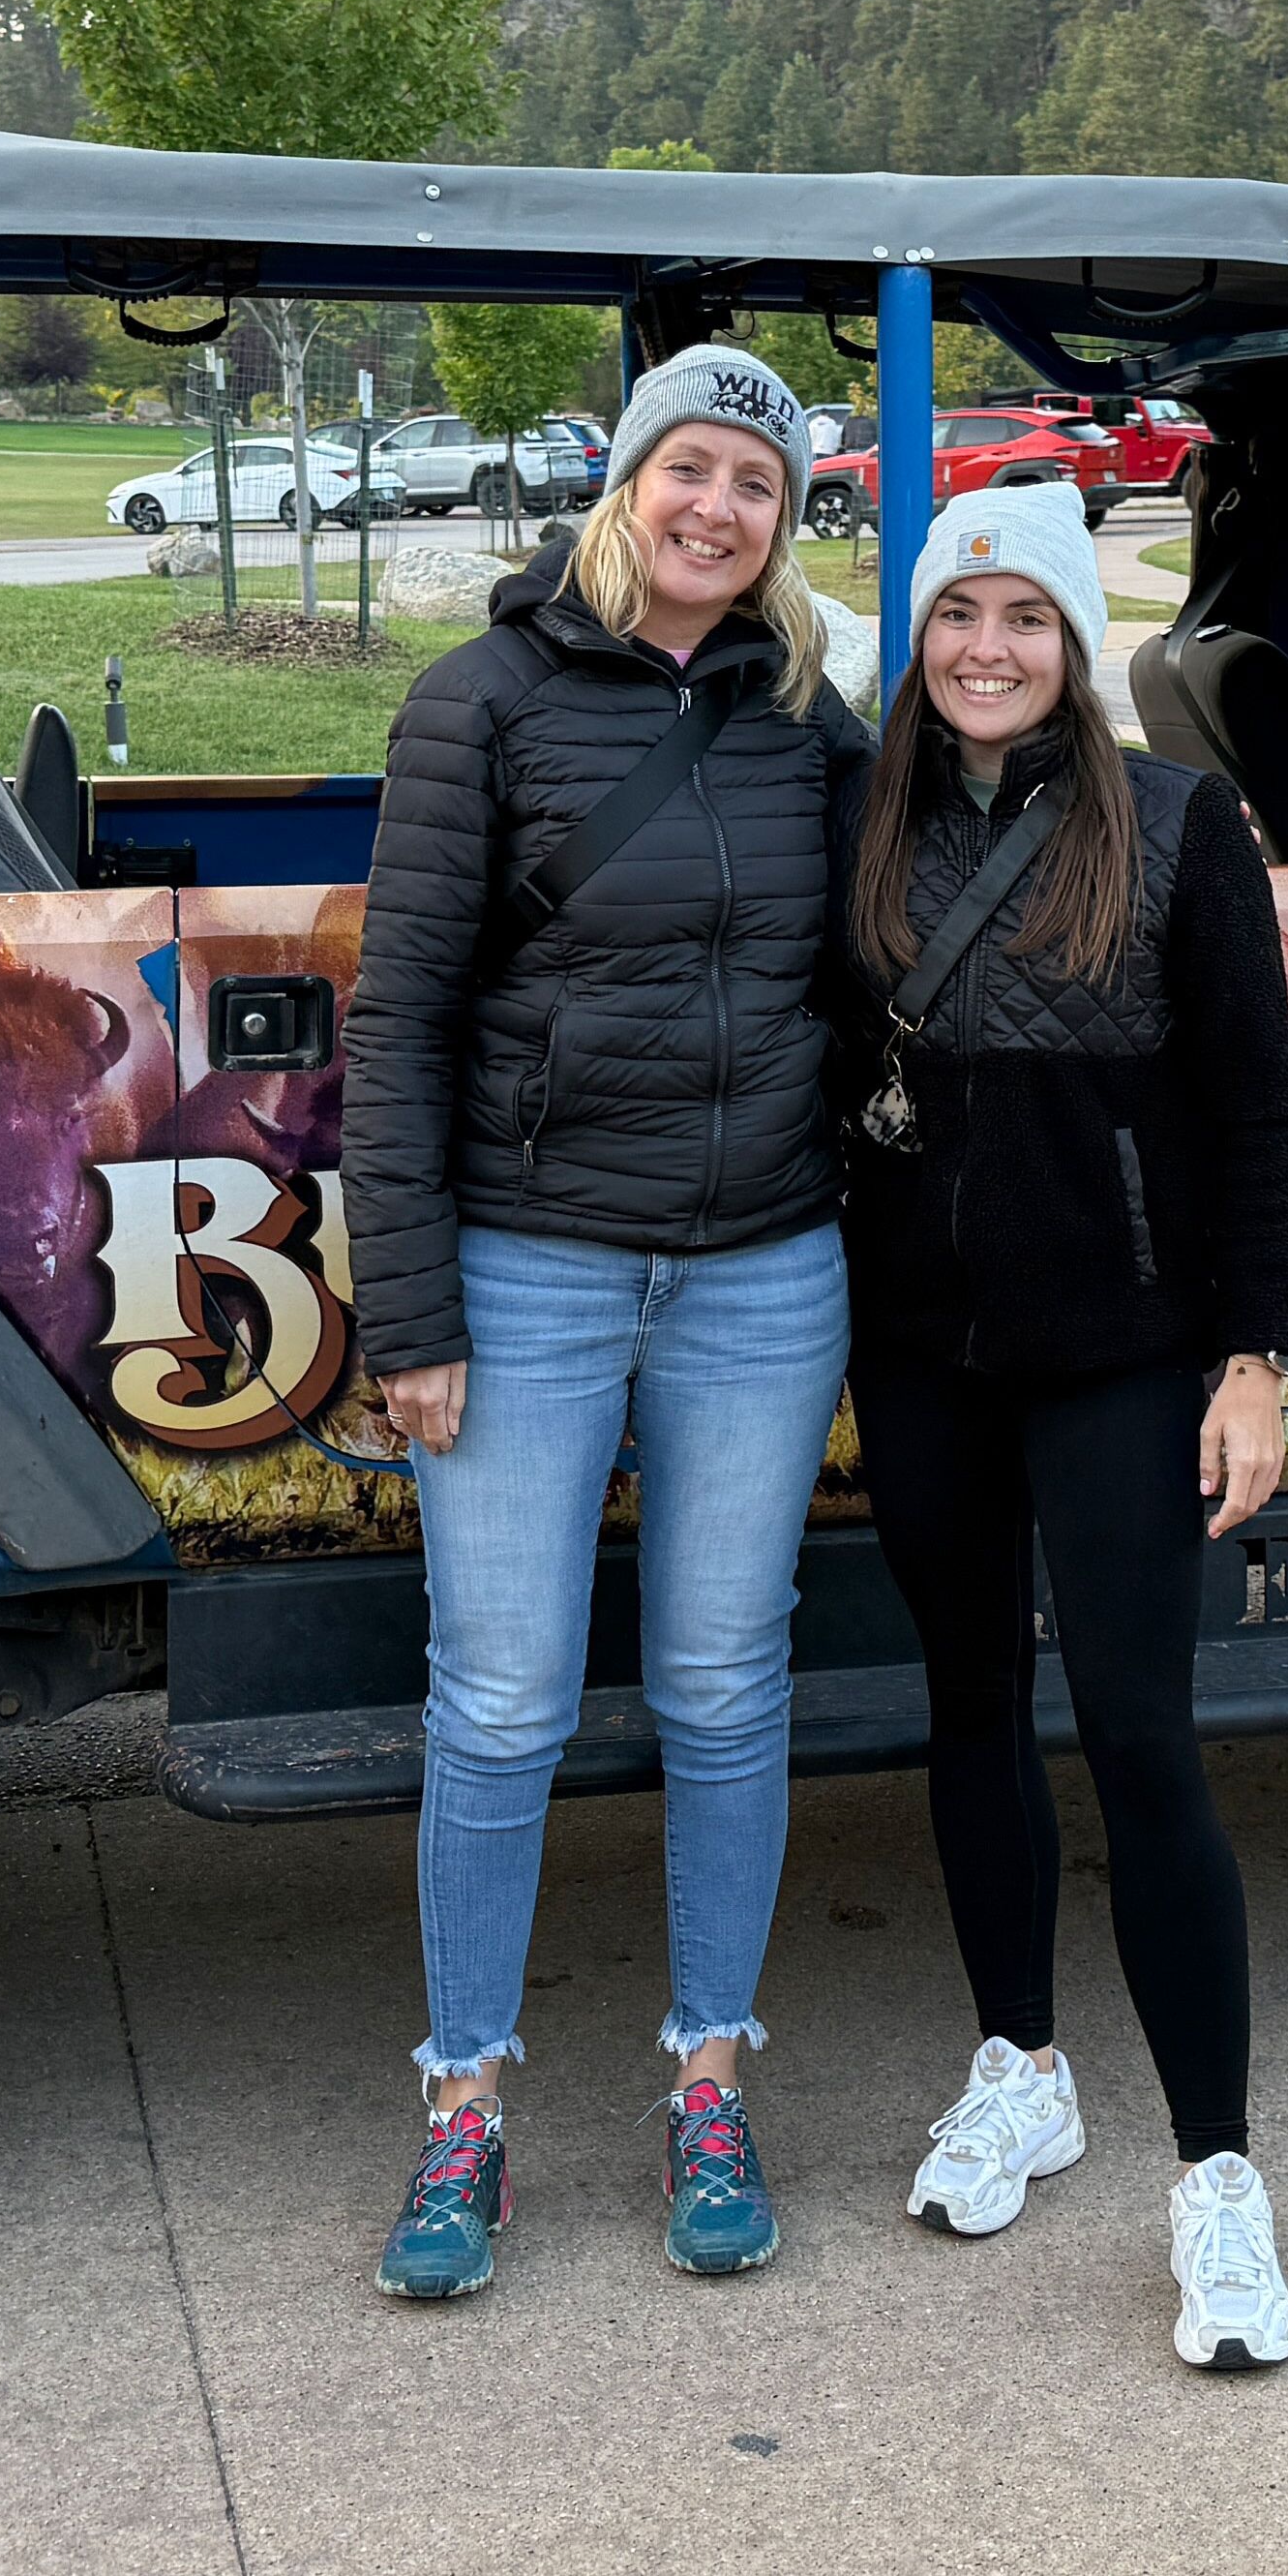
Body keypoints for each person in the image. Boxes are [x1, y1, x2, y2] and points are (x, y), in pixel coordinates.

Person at [340, 344, 867, 2300]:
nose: (719, 508)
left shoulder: (815, 725)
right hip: (530, 1271)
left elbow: (926, 919)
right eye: (689, 470)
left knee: (728, 1683)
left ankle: (707, 2080)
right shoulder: (475, 705)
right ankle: (464, 2102)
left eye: (758, 480)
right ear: (622, 486)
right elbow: (395, 1024)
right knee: (499, 1699)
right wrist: (413, 1310)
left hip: (761, 1273)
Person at [837, 487, 1288, 2369]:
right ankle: (1020, 2062)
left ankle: (1219, 2182)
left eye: (1030, 615)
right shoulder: (856, 826)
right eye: (964, 612)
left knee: (1139, 1741)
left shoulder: (1181, 830)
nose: (990, 649)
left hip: (1127, 1351)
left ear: (1080, 640)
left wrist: (1257, 1359)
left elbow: (1251, 1107)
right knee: (969, 1714)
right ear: (923, 634)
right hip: (927, 1351)